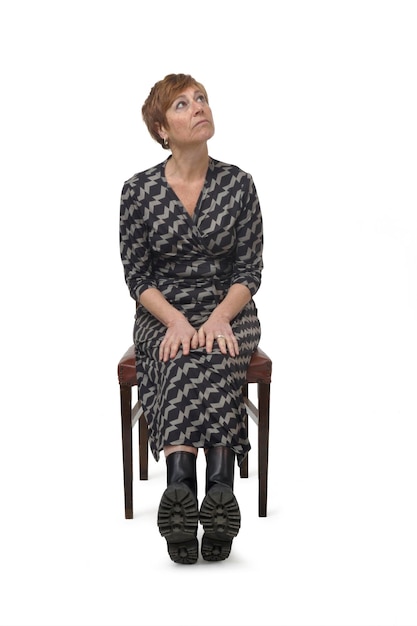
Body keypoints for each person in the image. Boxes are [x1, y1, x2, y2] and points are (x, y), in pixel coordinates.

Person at [119, 73, 263, 564]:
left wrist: (221, 317)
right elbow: (138, 277)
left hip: (230, 306)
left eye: (201, 98)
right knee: (178, 357)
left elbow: (249, 270)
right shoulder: (137, 192)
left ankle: (219, 492)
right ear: (162, 128)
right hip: (163, 309)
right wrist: (176, 321)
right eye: (182, 104)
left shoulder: (239, 184)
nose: (198, 106)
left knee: (218, 353)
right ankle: (181, 488)